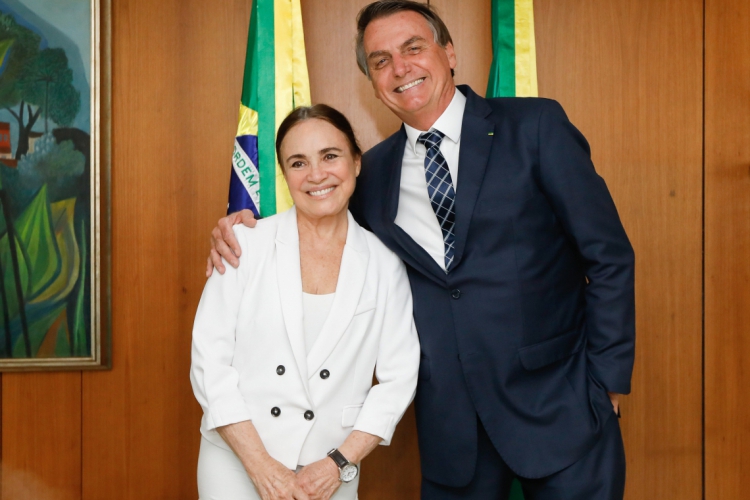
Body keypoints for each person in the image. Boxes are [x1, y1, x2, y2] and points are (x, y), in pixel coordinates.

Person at [208, 1, 635, 498]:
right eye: (381, 60)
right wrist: (247, 227)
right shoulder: (373, 173)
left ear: (448, 52)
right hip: (453, 432)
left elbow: (607, 254)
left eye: (413, 48)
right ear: (372, 79)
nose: (400, 68)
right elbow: (320, 228)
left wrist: (607, 382)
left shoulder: (536, 127)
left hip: (562, 410)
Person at [192, 104, 420, 500]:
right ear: (284, 175)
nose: (316, 175)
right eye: (298, 163)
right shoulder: (242, 245)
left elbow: (398, 380)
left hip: (330, 467)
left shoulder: (385, 263)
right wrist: (261, 467)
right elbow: (210, 363)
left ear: (356, 162)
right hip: (236, 458)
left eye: (330, 156)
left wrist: (340, 462)